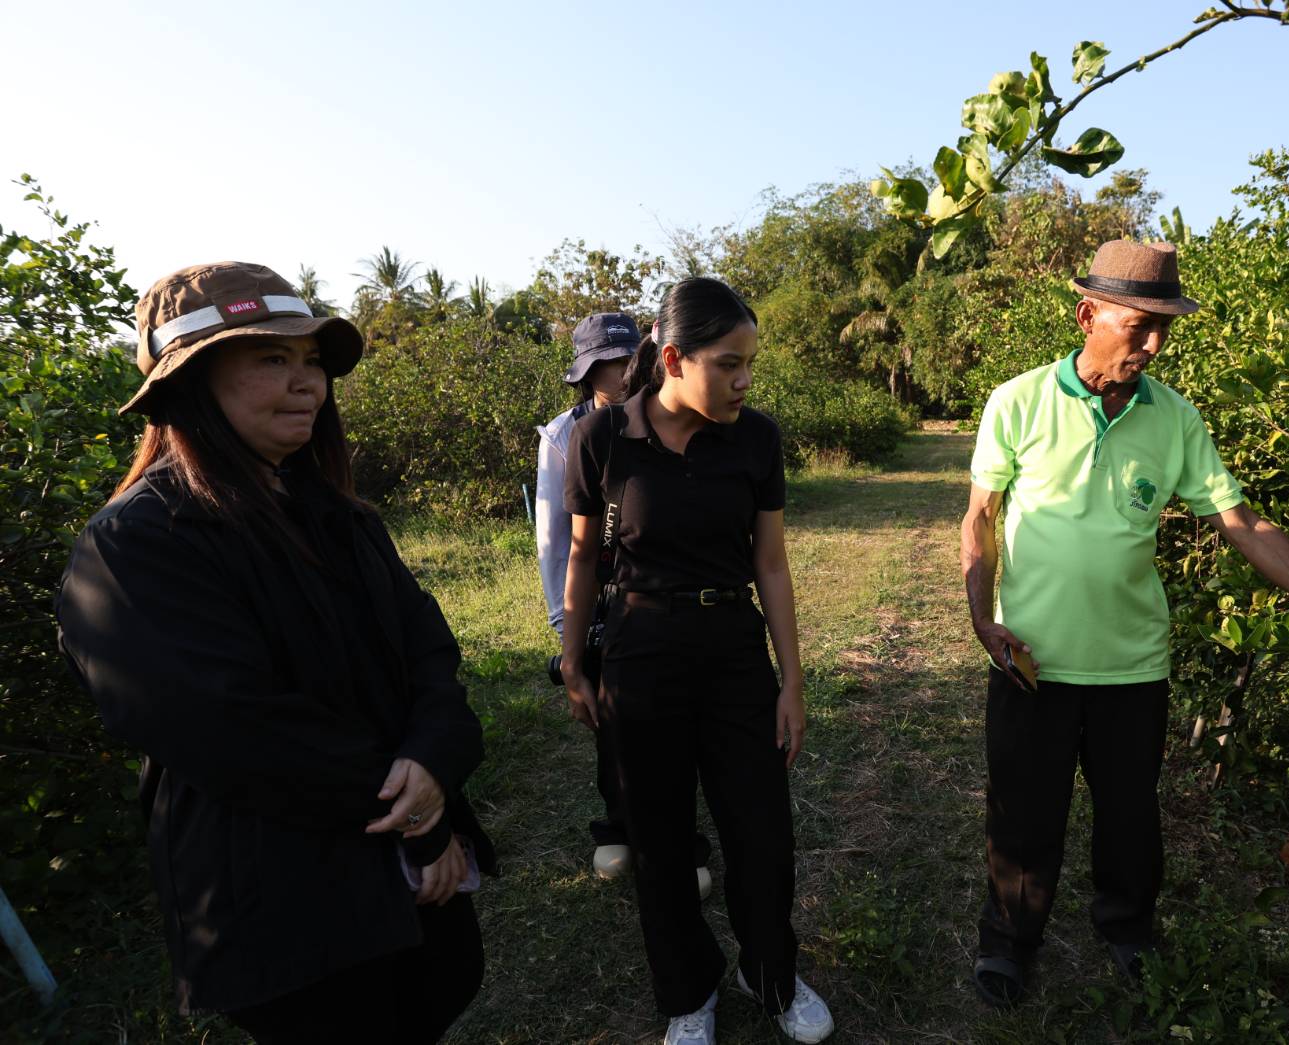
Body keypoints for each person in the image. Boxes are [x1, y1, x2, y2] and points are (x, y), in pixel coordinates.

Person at [960, 240, 1289, 1007]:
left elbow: (1243, 523)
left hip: (1131, 663)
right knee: (1023, 817)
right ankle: (1009, 944)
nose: (1154, 345)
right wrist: (981, 617)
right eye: (1139, 327)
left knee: (1130, 819)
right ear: (1087, 314)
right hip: (1031, 658)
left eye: (1166, 328)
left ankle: (1127, 932)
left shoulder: (1174, 418)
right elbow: (979, 518)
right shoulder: (1018, 400)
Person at [56, 261, 494, 1044]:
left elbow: (429, 651)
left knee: (430, 999)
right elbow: (230, 727)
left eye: (312, 362)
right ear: (188, 384)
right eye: (270, 359)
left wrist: (434, 756)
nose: (307, 385)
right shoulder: (135, 544)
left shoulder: (337, 513)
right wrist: (416, 819)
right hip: (285, 904)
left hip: (404, 876)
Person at [558, 278, 833, 1045]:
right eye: (728, 363)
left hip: (733, 652)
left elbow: (770, 565)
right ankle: (688, 989)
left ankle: (770, 970)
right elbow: (584, 556)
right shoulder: (603, 438)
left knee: (760, 832)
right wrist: (573, 658)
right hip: (639, 654)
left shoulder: (756, 438)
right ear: (673, 358)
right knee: (659, 837)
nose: (745, 380)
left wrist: (792, 681)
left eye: (750, 363)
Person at [536, 311, 712, 894]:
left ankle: (683, 842)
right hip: (599, 599)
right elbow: (557, 540)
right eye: (601, 367)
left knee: (676, 724)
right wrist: (569, 630)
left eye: (622, 361)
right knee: (613, 727)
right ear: (585, 375)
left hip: (660, 598)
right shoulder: (566, 435)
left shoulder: (670, 422)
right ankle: (618, 826)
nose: (615, 377)